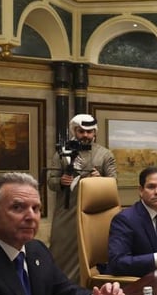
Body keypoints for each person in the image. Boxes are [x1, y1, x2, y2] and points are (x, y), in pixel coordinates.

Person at [46, 113, 116, 284]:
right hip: (67, 211)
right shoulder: (61, 154)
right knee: (60, 249)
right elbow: (50, 181)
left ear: (95, 133)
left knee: (92, 250)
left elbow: (113, 183)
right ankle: (60, 290)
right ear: (74, 131)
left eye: (89, 131)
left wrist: (100, 179)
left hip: (95, 214)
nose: (85, 135)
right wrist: (61, 181)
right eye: (81, 131)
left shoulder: (105, 154)